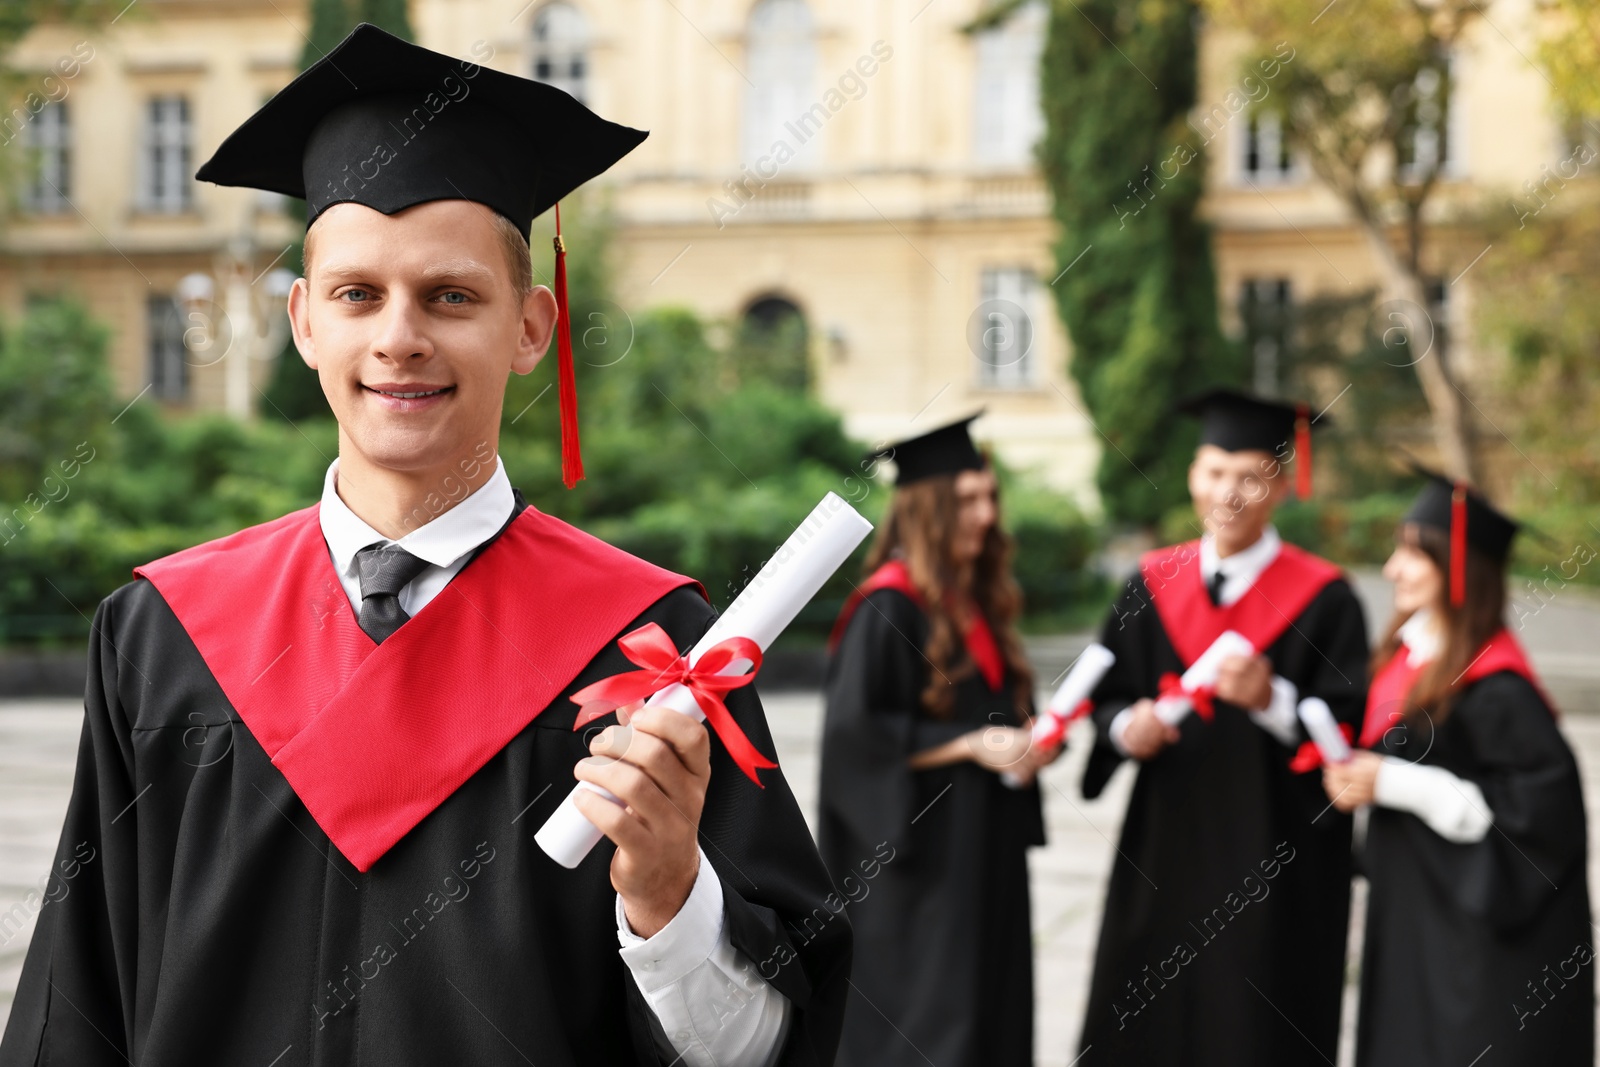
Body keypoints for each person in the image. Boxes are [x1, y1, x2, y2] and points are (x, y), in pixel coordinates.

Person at [0, 25, 848, 1067]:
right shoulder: (160, 633)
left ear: (532, 326)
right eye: (359, 294)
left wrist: (671, 896)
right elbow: (78, 999)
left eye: (451, 296)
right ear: (304, 321)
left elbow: (764, 1044)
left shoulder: (649, 646)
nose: (399, 335)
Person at [1076, 389, 1369, 1066]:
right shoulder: (1148, 584)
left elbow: (1350, 732)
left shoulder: (1325, 597)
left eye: (1249, 476)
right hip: (1165, 844)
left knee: (1256, 1012)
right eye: (1214, 472)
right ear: (1191, 475)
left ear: (1279, 486)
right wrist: (1126, 727)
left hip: (1276, 849)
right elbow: (1106, 694)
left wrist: (1274, 699)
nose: (1228, 492)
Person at [1323, 468, 1593, 1066]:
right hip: (1417, 919)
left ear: (1461, 567)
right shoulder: (1409, 657)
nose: (1393, 568)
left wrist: (1393, 783)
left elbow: (1544, 821)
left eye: (1415, 554)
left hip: (1478, 950)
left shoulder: (1498, 690)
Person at [818, 413, 1059, 1067]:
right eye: (967, 500)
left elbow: (996, 713)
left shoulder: (973, 601)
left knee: (990, 1008)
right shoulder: (888, 606)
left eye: (990, 496)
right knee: (930, 1025)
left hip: (985, 847)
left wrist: (1030, 742)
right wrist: (970, 746)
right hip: (918, 863)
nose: (986, 514)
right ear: (927, 509)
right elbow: (853, 738)